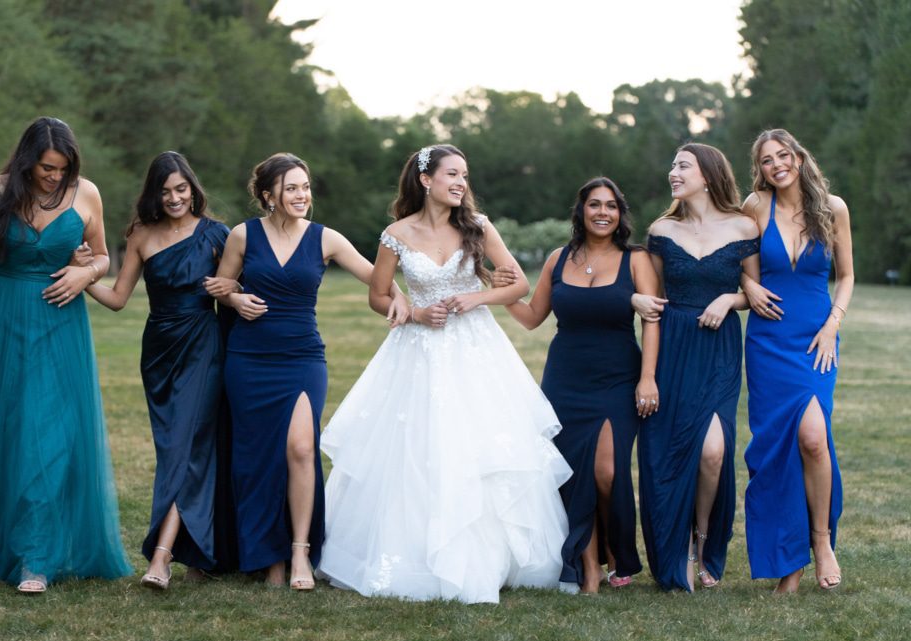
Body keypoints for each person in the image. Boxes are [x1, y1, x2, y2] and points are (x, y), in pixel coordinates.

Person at [315, 144, 572, 604]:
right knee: (416, 448)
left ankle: (492, 557)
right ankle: (413, 555)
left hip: (476, 349)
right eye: (452, 174)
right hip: (416, 352)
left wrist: (475, 298)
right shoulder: (396, 233)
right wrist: (413, 312)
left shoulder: (478, 227)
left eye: (465, 176)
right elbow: (378, 296)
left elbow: (517, 283)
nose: (460, 183)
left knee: (481, 445)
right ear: (426, 179)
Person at [0, 116, 132, 593]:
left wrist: (85, 275)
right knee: (5, 430)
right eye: (46, 168)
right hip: (1, 320)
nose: (55, 177)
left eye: (62, 168)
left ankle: (37, 558)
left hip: (60, 325)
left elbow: (101, 257)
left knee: (50, 433)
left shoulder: (87, 194)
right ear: (25, 160)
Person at [204, 153, 409, 590]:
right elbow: (223, 288)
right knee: (257, 458)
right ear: (268, 195)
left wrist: (400, 297)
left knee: (301, 447)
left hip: (301, 357)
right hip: (249, 357)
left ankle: (300, 552)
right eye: (291, 188)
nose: (302, 195)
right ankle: (267, 557)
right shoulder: (243, 235)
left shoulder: (325, 238)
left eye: (305, 187)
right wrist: (237, 299)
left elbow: (377, 278)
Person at [77, 151, 237, 590]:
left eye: (181, 189)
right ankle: (198, 552)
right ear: (154, 193)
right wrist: (83, 275)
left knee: (189, 450)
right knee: (176, 450)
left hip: (206, 344)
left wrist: (235, 289)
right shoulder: (142, 236)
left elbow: (236, 286)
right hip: (160, 352)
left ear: (193, 189)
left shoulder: (217, 234)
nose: (174, 198)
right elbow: (118, 298)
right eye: (165, 191)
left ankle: (162, 557)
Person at [505, 177, 659, 595]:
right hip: (565, 379)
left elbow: (652, 320)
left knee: (607, 472)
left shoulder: (636, 260)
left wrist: (647, 378)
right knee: (573, 475)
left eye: (611, 205)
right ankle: (588, 566)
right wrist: (495, 288)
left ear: (620, 213)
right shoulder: (559, 259)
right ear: (582, 211)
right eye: (594, 205)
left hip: (618, 376)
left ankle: (614, 547)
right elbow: (533, 316)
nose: (603, 212)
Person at [635, 142, 760, 592]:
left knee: (712, 451)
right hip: (673, 346)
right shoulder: (662, 230)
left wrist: (730, 298)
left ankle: (701, 539)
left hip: (720, 349)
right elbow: (648, 303)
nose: (673, 172)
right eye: (672, 165)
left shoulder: (744, 226)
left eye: (682, 165)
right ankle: (677, 547)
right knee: (669, 453)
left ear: (707, 174)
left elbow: (755, 293)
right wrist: (647, 374)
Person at [740, 129, 853, 593]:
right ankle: (789, 562)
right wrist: (747, 287)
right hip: (767, 342)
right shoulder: (753, 207)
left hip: (815, 340)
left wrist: (833, 324)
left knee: (812, 439)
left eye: (783, 155)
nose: (776, 165)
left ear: (800, 159)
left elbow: (845, 276)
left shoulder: (834, 207)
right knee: (776, 451)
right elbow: (745, 273)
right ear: (760, 168)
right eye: (767, 160)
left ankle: (821, 541)